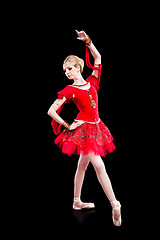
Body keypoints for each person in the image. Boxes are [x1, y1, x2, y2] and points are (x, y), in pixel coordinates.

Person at [47, 30, 122, 226]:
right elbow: (51, 111)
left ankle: (76, 201)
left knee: (82, 165)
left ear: (78, 67)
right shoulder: (69, 90)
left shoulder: (92, 82)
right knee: (98, 165)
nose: (67, 72)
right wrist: (68, 124)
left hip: (97, 126)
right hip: (83, 130)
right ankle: (115, 204)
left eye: (70, 68)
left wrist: (88, 41)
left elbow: (98, 57)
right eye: (65, 71)